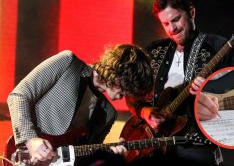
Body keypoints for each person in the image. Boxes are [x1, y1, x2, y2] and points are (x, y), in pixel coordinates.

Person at [125, 0, 234, 165]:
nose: (172, 29)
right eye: (166, 23)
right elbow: (131, 93)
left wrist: (210, 91)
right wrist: (145, 112)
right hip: (152, 145)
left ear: (191, 12)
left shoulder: (217, 47)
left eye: (176, 19)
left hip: (196, 145)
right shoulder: (154, 51)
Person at [7, 44, 153, 165]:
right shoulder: (68, 63)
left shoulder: (108, 114)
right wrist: (31, 139)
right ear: (118, 75)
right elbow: (19, 96)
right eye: (127, 88)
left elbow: (84, 160)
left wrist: (108, 155)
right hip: (24, 157)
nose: (125, 96)